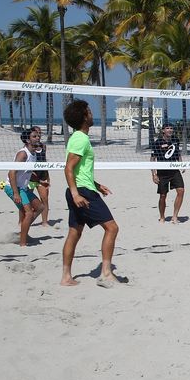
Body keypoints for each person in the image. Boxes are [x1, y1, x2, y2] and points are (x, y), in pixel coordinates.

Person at [60, 99, 122, 288]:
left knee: (74, 233)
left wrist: (96, 184)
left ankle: (66, 277)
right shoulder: (81, 139)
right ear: (84, 116)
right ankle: (105, 273)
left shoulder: (77, 138)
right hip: (81, 192)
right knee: (112, 228)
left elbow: (79, 170)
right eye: (89, 111)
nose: (92, 113)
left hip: (83, 188)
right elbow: (68, 168)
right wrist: (76, 194)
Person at [3, 128, 44, 246]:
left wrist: (40, 181)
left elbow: (27, 172)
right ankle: (22, 243)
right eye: (34, 136)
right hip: (13, 187)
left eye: (38, 136)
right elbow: (12, 173)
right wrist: (15, 193)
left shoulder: (34, 153)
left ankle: (23, 232)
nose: (38, 138)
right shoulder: (23, 153)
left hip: (23, 188)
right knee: (29, 213)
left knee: (40, 207)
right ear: (27, 140)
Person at [150, 123, 185, 224]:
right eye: (167, 128)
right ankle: (162, 217)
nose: (170, 130)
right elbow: (152, 159)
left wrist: (181, 164)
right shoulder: (157, 143)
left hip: (174, 170)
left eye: (171, 128)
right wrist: (154, 174)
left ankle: (175, 216)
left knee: (181, 191)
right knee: (163, 196)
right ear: (163, 131)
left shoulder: (175, 140)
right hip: (162, 172)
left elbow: (178, 154)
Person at [30, 126, 51, 227]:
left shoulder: (43, 146)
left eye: (40, 133)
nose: (38, 135)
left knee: (45, 199)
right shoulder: (29, 147)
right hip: (31, 177)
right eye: (36, 133)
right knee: (27, 200)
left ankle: (45, 222)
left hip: (42, 176)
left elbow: (44, 161)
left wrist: (48, 175)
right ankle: (22, 221)